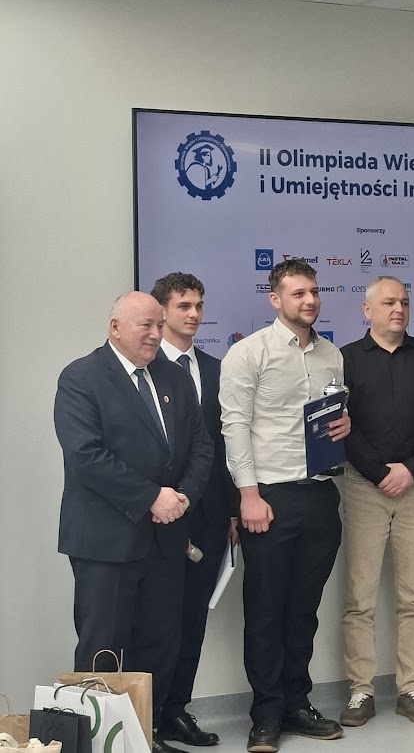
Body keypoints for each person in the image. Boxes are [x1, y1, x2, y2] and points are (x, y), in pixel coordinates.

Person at [54, 291, 214, 753]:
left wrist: (181, 498)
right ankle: (96, 743)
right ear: (115, 328)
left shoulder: (174, 376)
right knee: (102, 647)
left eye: (159, 325)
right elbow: (85, 455)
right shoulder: (81, 377)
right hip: (106, 542)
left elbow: (202, 446)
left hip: (166, 539)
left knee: (159, 644)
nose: (156, 334)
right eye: (146, 325)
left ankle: (144, 735)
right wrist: (150, 498)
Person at [219, 260, 350, 753]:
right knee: (266, 611)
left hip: (320, 494)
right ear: (275, 299)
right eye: (298, 293)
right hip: (269, 498)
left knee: (303, 611)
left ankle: (297, 702)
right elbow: (234, 426)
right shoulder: (248, 353)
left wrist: (345, 426)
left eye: (313, 291)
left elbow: (329, 419)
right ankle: (266, 714)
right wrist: (247, 495)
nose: (309, 300)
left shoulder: (332, 354)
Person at [339, 276, 414, 728]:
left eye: (404, 302)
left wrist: (410, 468)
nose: (399, 309)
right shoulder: (346, 358)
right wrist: (380, 472)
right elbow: (340, 425)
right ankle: (360, 691)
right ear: (366, 310)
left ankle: (411, 687)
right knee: (360, 596)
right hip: (363, 486)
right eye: (388, 302)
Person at [151, 273, 238, 748]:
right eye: (184, 306)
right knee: (158, 623)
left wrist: (231, 511)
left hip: (209, 516)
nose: (195, 314)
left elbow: (225, 446)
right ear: (161, 311)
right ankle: (147, 716)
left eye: (199, 305)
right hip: (161, 515)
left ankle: (176, 711)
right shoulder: (145, 366)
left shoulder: (214, 367)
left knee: (192, 621)